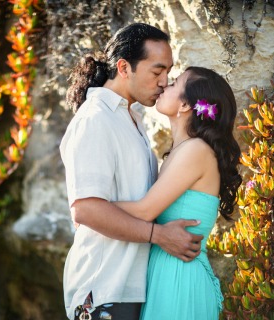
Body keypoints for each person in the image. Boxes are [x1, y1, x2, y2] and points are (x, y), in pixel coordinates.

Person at [60, 23, 205, 320]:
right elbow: (86, 210)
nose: (165, 81)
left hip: (131, 288)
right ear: (124, 67)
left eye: (168, 72)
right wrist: (159, 235)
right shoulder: (95, 119)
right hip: (102, 289)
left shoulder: (133, 119)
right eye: (157, 71)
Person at [114, 66, 242, 319]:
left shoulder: (196, 150)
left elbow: (144, 211)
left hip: (179, 279)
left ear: (185, 106)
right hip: (166, 273)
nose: (164, 85)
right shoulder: (180, 151)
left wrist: (90, 208)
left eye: (173, 84)